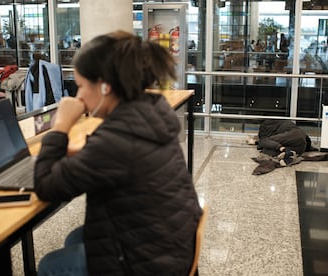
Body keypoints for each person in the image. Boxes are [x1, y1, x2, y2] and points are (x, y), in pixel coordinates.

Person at [34, 30, 202, 276]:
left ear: (104, 87)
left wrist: (60, 127)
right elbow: (124, 156)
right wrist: (79, 151)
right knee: (74, 237)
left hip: (152, 265)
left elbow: (46, 186)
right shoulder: (151, 111)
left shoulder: (115, 140)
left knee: (50, 265)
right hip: (172, 244)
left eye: (81, 86)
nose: (78, 95)